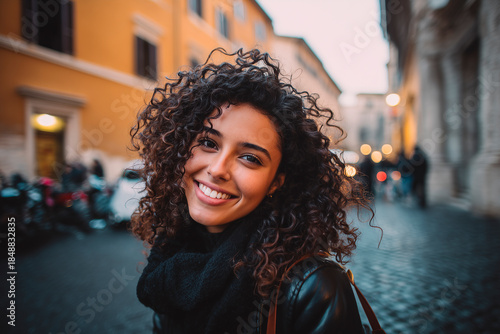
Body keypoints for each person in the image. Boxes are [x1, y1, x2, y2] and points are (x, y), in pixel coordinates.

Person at [131, 48, 373, 334]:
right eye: (208, 143)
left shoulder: (314, 287)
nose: (218, 169)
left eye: (250, 158)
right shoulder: (168, 260)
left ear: (275, 182)